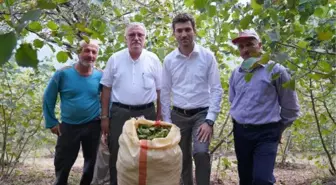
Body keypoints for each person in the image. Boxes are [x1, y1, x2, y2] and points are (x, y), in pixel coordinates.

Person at [229, 29, 300, 185]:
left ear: (259, 45)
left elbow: (291, 107)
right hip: (241, 133)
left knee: (262, 179)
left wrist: (278, 129)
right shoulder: (236, 73)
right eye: (241, 47)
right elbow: (234, 101)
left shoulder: (277, 71)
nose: (245, 50)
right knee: (246, 179)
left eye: (250, 44)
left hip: (267, 133)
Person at [160, 13, 223, 185]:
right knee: (181, 158)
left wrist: (210, 120)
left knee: (201, 152)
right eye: (179, 31)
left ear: (194, 30)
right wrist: (167, 121)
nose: (184, 34)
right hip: (178, 116)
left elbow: (217, 89)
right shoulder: (169, 60)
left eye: (187, 29)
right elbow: (164, 92)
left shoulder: (207, 56)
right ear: (174, 34)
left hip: (201, 115)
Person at [100, 22, 162, 185]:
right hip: (120, 113)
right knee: (117, 152)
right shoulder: (115, 59)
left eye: (140, 35)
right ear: (125, 38)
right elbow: (106, 89)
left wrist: (159, 116)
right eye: (132, 35)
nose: (136, 38)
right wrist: (105, 117)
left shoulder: (153, 59)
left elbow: (161, 90)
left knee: (147, 153)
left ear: (145, 38)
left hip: (147, 114)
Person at [43, 39, 102, 185]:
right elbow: (48, 98)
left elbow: (109, 98)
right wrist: (51, 122)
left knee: (92, 163)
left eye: (94, 52)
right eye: (86, 50)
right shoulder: (63, 74)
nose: (90, 55)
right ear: (78, 52)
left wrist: (106, 119)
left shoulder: (101, 75)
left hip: (94, 125)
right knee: (63, 164)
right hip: (69, 126)